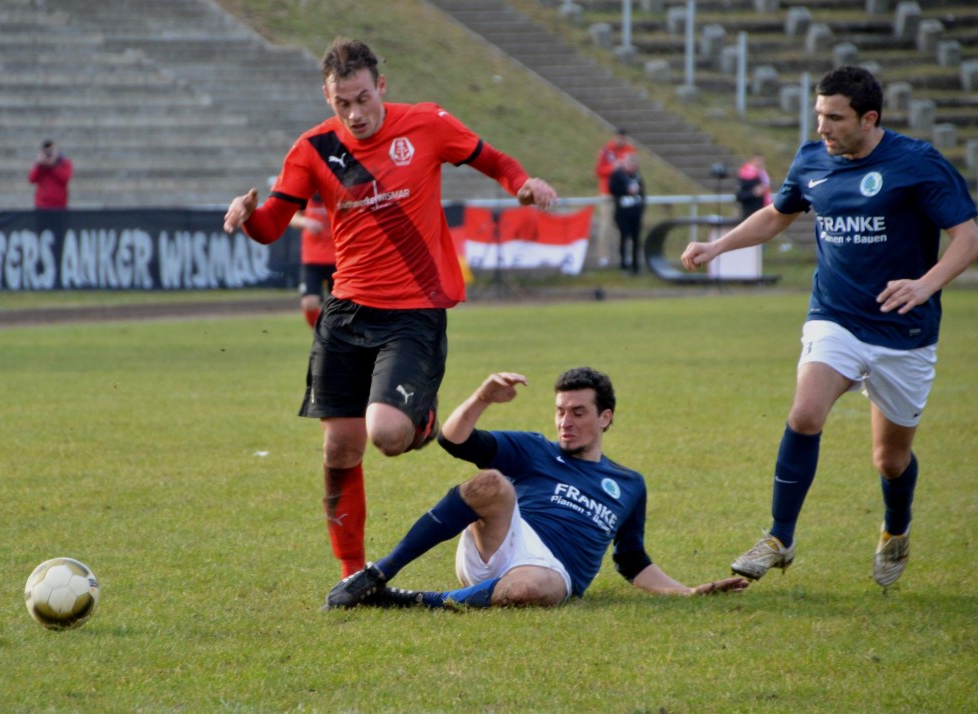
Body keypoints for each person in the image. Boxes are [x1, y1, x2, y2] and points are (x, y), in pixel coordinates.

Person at [222, 38, 558, 578]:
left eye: (362, 99)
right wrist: (247, 215)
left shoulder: (426, 124)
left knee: (387, 436)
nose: (354, 114)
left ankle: (421, 417)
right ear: (328, 100)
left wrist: (521, 184)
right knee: (339, 449)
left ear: (381, 86)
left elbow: (489, 158)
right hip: (346, 313)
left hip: (412, 312)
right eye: (342, 104)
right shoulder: (312, 149)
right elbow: (270, 227)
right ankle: (351, 571)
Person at [680, 65, 978, 589]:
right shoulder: (812, 159)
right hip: (835, 317)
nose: (823, 128)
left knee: (889, 460)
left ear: (869, 118)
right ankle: (779, 537)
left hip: (903, 330)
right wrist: (718, 246)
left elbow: (968, 237)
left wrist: (925, 285)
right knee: (805, 413)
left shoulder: (917, 163)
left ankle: (895, 527)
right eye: (819, 115)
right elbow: (777, 214)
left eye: (835, 118)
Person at [325, 368, 748, 609]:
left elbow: (633, 561)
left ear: (606, 418)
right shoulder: (534, 449)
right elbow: (455, 440)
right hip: (503, 542)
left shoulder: (629, 484)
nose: (566, 421)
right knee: (492, 481)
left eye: (579, 412)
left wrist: (687, 591)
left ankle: (411, 601)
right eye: (561, 412)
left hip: (552, 574)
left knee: (532, 589)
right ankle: (378, 573)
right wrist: (482, 396)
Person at [289, 194, 335, 328]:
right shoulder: (306, 193)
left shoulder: (337, 192)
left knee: (342, 305)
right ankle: (320, 333)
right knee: (309, 303)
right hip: (312, 258)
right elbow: (292, 217)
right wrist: (305, 222)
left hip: (338, 258)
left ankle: (337, 336)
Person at [593, 128, 637, 268]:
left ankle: (624, 255)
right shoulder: (606, 151)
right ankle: (604, 256)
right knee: (606, 225)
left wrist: (625, 166)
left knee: (625, 227)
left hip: (624, 194)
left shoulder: (630, 150)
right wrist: (614, 167)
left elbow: (634, 168)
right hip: (608, 194)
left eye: (623, 138)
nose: (621, 140)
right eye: (619, 137)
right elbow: (599, 170)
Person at [608, 152, 647, 274]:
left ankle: (636, 266)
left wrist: (641, 208)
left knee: (636, 239)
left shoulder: (637, 176)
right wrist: (627, 190)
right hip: (623, 213)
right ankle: (624, 265)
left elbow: (643, 192)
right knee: (624, 237)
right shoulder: (617, 175)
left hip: (636, 212)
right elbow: (612, 189)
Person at [28, 139, 73, 209]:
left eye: (51, 151)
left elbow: (65, 178)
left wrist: (53, 166)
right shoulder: (40, 165)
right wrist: (38, 164)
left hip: (59, 204)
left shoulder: (64, 163)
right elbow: (31, 179)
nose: (49, 153)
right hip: (42, 204)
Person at [734, 153, 771, 220]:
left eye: (761, 161)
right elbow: (739, 195)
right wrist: (753, 193)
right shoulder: (744, 175)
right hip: (749, 212)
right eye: (757, 161)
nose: (759, 163)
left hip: (761, 210)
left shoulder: (762, 176)